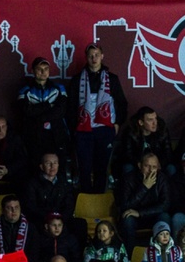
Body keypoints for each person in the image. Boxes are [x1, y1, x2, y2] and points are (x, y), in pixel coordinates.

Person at [67, 43, 127, 193]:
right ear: (86, 58)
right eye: (90, 56)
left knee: (102, 168)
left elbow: (122, 103)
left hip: (104, 130)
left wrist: (117, 123)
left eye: (97, 55)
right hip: (83, 130)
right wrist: (74, 128)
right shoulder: (77, 80)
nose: (94, 59)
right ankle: (86, 199)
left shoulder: (112, 79)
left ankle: (99, 198)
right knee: (84, 168)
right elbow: (70, 107)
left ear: (102, 56)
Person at [17, 57, 69, 163]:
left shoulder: (59, 88)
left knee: (59, 165)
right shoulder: (25, 90)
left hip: (56, 134)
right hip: (34, 135)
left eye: (46, 69)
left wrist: (38, 115)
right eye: (39, 69)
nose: (43, 72)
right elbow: (27, 111)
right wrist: (49, 105)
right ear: (33, 71)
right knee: (36, 164)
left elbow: (61, 111)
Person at [117, 152, 171, 252]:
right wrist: (144, 187)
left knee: (165, 217)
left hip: (152, 216)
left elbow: (165, 205)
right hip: (135, 219)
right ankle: (131, 256)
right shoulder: (128, 179)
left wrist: (140, 213)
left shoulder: (162, 179)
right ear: (139, 165)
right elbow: (125, 206)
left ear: (158, 167)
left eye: (154, 167)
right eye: (147, 166)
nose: (151, 170)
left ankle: (165, 253)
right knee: (127, 219)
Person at [22, 153, 77, 232]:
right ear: (41, 166)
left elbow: (69, 205)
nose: (52, 166)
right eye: (48, 163)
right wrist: (49, 218)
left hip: (61, 221)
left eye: (55, 163)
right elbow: (31, 207)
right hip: (42, 221)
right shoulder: (32, 184)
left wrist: (59, 219)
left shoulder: (64, 183)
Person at [0, 195, 40, 262]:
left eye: (16, 207)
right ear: (3, 210)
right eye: (9, 208)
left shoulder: (30, 228)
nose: (14, 211)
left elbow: (34, 253)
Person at [116, 106, 173, 177]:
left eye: (155, 118)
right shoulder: (130, 132)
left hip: (157, 163)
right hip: (138, 163)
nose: (155, 123)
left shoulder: (162, 130)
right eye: (150, 120)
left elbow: (168, 152)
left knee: (171, 169)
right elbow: (127, 155)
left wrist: (158, 163)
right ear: (141, 122)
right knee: (128, 168)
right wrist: (142, 164)